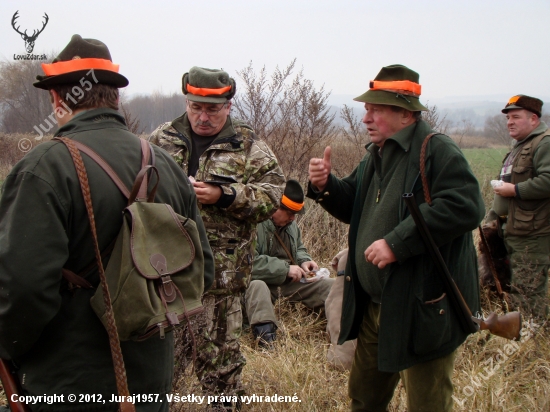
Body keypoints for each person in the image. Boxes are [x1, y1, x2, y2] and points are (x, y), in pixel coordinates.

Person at [0, 34, 214, 412]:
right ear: (115, 97)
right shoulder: (165, 164)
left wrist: (7, 348)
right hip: (152, 384)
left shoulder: (43, 168)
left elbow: (24, 289)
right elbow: (204, 274)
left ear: (56, 99)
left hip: (67, 387)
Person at [308, 64, 485, 411]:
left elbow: (466, 206)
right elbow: (354, 206)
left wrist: (397, 243)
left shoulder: (437, 150)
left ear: (405, 114)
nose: (366, 118)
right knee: (364, 398)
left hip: (422, 306)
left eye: (376, 110)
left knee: (427, 404)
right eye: (367, 109)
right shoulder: (376, 152)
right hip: (375, 306)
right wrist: (326, 185)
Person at [149, 67, 284, 402]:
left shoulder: (248, 146)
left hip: (222, 279)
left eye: (212, 109)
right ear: (187, 102)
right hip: (166, 275)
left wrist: (225, 196)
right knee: (163, 366)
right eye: (196, 107)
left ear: (229, 106)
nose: (203, 117)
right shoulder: (161, 139)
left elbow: (273, 196)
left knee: (221, 368)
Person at [244, 179, 334, 346]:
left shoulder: (291, 224)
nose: (293, 218)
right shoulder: (252, 223)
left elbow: (299, 247)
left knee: (332, 286)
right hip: (264, 284)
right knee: (257, 287)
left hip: (290, 284)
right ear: (274, 207)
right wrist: (285, 269)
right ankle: (266, 342)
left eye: (295, 214)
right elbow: (248, 264)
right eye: (290, 213)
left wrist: (304, 261)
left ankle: (339, 332)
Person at [488, 94, 550, 320]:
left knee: (529, 293)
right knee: (515, 289)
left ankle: (531, 344)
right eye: (507, 118)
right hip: (513, 231)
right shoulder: (519, 146)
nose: (509, 122)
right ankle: (519, 334)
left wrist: (514, 190)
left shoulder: (544, 143)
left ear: (534, 119)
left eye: (516, 117)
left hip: (533, 234)